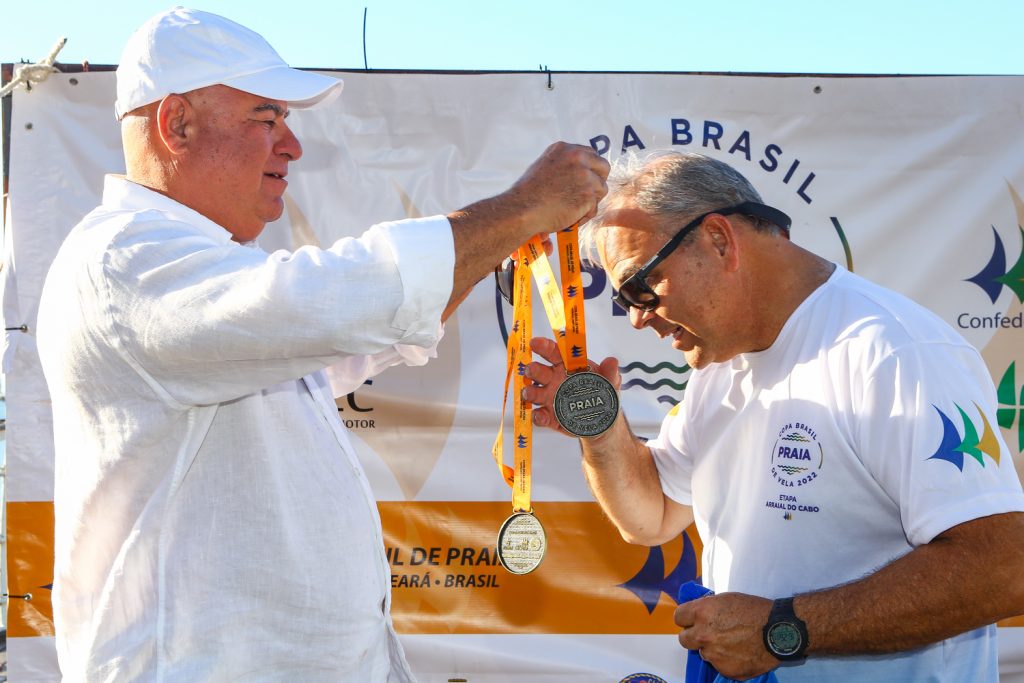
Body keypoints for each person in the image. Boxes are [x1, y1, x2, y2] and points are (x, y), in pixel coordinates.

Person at [35, 7, 608, 682]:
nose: (292, 146)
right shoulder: (124, 261)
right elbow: (325, 307)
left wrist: (504, 233)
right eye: (267, 117)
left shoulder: (187, 277)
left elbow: (342, 342)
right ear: (177, 123)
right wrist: (522, 210)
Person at [524, 150, 1024, 681]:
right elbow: (652, 516)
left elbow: (1002, 566)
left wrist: (781, 630)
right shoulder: (719, 365)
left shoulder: (895, 351)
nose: (639, 317)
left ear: (718, 240)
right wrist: (600, 430)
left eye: (640, 287)